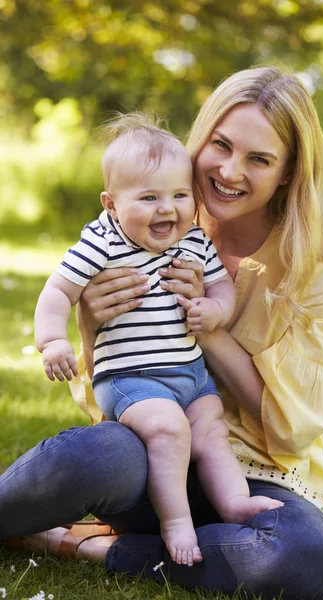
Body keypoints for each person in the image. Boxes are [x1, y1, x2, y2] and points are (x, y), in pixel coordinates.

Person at [0, 66, 323, 600]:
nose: (229, 169)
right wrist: (88, 327)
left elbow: (290, 432)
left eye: (259, 159)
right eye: (220, 144)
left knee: (300, 556)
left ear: (289, 172)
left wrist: (206, 323)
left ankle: (85, 544)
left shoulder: (319, 273)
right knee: (94, 455)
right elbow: (110, 391)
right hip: (154, 457)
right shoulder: (157, 214)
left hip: (258, 479)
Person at [33, 113, 282, 567]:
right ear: (111, 204)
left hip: (190, 372)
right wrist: (53, 340)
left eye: (179, 195)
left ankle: (233, 502)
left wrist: (217, 309)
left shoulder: (193, 240)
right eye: (149, 197)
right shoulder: (103, 242)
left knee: (211, 431)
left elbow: (221, 286)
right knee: (169, 429)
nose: (167, 208)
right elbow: (58, 291)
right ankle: (176, 522)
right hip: (132, 377)